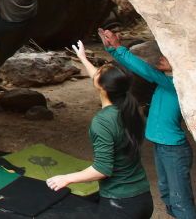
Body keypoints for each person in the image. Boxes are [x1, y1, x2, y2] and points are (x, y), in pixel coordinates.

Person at [99, 28, 196, 219]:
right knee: (166, 194)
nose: (161, 58)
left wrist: (118, 48)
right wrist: (113, 50)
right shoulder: (166, 82)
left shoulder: (175, 84)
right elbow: (140, 69)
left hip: (173, 149)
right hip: (163, 147)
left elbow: (143, 69)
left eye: (168, 56)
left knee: (181, 202)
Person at [46, 40, 153, 219]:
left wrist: (66, 178)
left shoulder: (103, 122)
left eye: (101, 71)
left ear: (103, 87)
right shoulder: (132, 108)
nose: (97, 71)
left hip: (120, 205)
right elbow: (100, 78)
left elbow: (102, 169)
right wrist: (82, 58)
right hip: (142, 198)